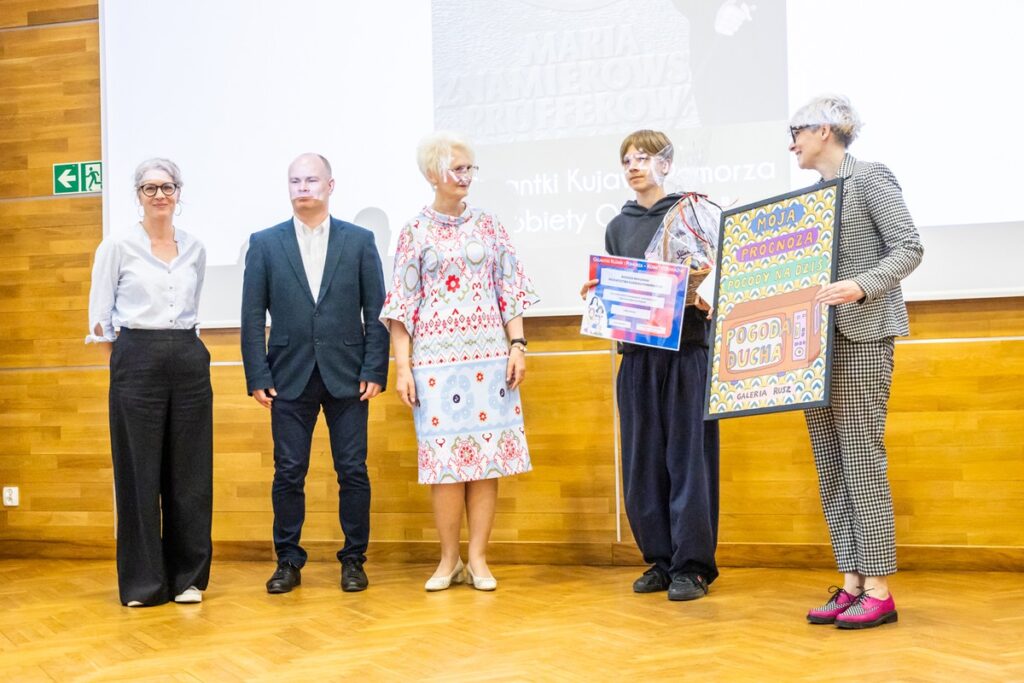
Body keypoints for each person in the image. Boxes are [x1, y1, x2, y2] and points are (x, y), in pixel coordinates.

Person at [380, 132, 539, 592]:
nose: (466, 177)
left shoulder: (489, 225)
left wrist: (518, 346)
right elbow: (401, 306)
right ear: (433, 174)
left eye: (470, 168)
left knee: (486, 463)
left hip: (489, 362)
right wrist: (403, 367)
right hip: (434, 366)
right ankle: (448, 560)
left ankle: (479, 560)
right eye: (457, 168)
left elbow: (510, 289)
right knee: (445, 466)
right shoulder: (414, 231)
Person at [788, 94, 923, 629]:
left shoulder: (871, 178)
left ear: (826, 129)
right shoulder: (811, 198)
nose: (792, 143)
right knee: (829, 462)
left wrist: (860, 287)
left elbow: (909, 247)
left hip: (863, 336)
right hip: (814, 347)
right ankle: (852, 581)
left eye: (796, 131)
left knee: (861, 458)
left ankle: (880, 588)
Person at [240, 153, 389, 594]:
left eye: (311, 180)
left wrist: (375, 368)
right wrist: (257, 374)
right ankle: (288, 560)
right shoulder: (265, 243)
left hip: (348, 375)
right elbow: (251, 317)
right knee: (288, 471)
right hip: (287, 377)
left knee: (352, 471)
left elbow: (376, 311)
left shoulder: (359, 241)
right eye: (295, 181)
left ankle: (353, 560)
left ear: (330, 185)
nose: (303, 187)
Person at [581, 130, 720, 601]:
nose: (633, 165)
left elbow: (716, 279)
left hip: (687, 356)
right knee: (643, 462)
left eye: (642, 157)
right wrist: (601, 297)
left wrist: (705, 291)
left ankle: (693, 566)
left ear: (666, 162)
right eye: (626, 159)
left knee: (688, 461)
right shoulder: (618, 226)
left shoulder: (693, 214)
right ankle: (660, 560)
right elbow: (622, 291)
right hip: (638, 358)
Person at [86, 158, 212, 607]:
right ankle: (143, 583)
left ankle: (188, 579)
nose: (159, 195)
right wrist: (122, 369)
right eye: (149, 188)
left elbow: (193, 309)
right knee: (139, 473)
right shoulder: (117, 246)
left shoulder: (195, 247)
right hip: (135, 361)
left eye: (167, 187)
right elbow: (100, 322)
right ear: (137, 195)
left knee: (190, 473)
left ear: (180, 192)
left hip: (189, 359)